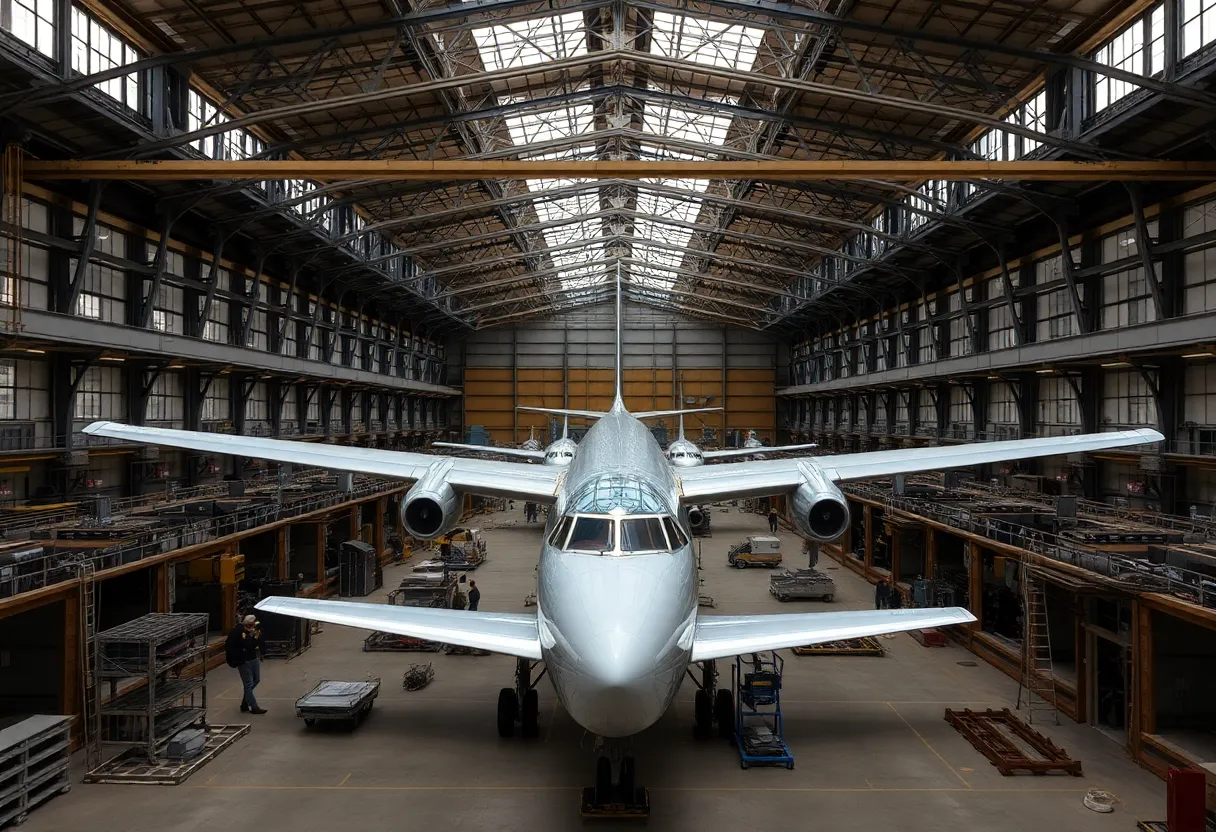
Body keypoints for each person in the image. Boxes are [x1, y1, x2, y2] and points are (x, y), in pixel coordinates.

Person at [225, 614, 267, 714]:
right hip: (243, 661)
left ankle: (245, 702)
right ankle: (254, 706)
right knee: (248, 684)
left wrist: (255, 635)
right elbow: (233, 646)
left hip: (253, 658)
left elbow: (259, 641)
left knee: (256, 680)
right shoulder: (237, 632)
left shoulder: (254, 631)